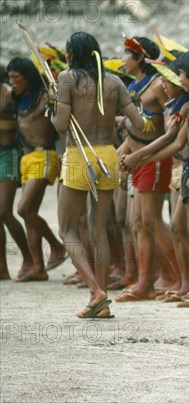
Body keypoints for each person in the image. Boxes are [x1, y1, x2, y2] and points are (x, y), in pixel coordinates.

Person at [51, 32, 144, 318]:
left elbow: (61, 126)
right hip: (107, 155)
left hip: (79, 155)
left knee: (67, 229)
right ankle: (100, 303)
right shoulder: (114, 81)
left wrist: (52, 105)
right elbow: (139, 124)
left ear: (71, 54)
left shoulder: (67, 79)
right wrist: (117, 120)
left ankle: (96, 290)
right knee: (98, 229)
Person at [115, 36, 179, 301]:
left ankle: (177, 276)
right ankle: (148, 281)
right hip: (137, 159)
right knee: (137, 222)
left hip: (153, 160)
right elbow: (136, 128)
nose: (122, 59)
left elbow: (169, 132)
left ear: (140, 57)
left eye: (127, 55)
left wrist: (140, 155)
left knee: (150, 220)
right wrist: (124, 152)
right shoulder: (135, 86)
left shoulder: (156, 86)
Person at [7, 57, 66, 281]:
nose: (12, 81)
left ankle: (56, 246)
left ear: (28, 76)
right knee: (30, 214)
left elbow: (59, 118)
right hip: (27, 159)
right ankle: (38, 267)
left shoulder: (45, 96)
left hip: (45, 156)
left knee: (23, 209)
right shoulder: (18, 98)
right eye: (9, 76)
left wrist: (54, 92)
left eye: (16, 76)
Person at [0, 66, 35, 280]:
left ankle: (29, 259)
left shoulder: (9, 93)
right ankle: (2, 267)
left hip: (7, 155)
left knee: (4, 212)